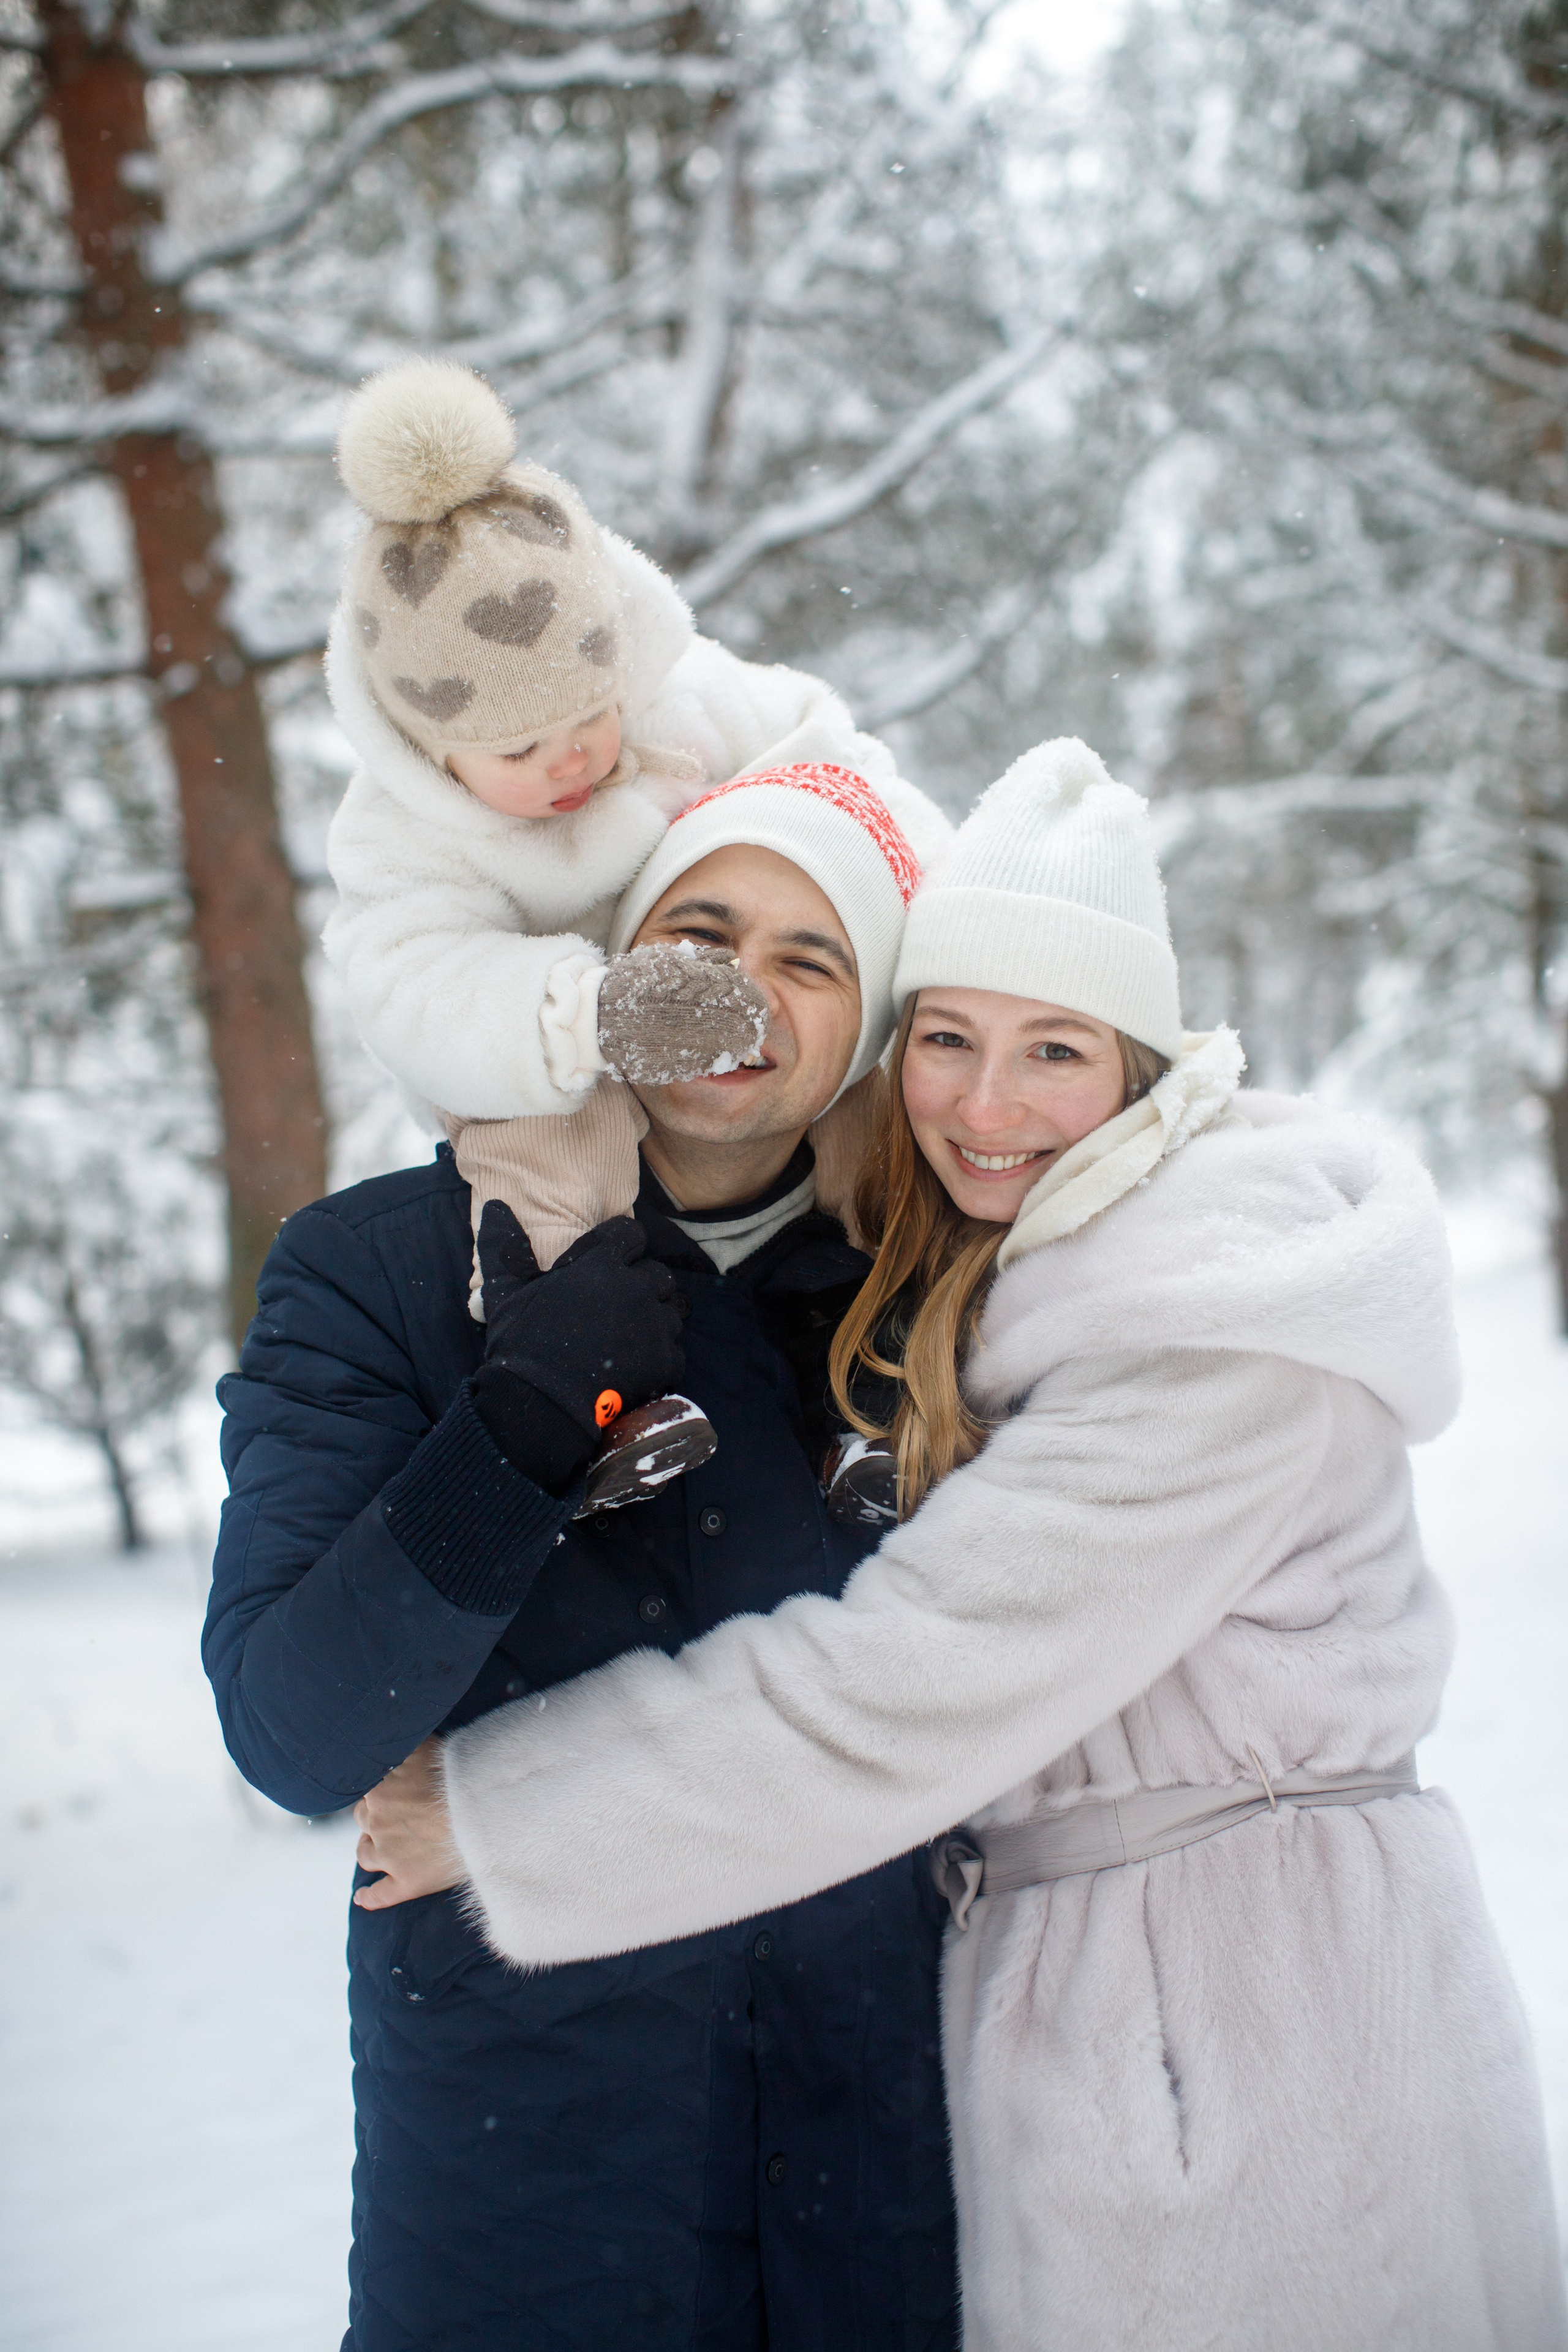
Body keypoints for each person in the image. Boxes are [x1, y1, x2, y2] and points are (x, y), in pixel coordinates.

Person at [364, 739, 1567, 2352]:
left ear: (1143, 1066)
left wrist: (506, 1816)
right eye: (945, 1039)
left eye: (1054, 1051)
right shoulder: (1046, 1270)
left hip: (1258, 2022)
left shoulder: (1220, 1343)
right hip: (1130, 2003)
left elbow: (911, 1681)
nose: (986, 1108)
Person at [203, 766, 959, 2352]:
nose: (740, 984)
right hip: (523, 2195)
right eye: (699, 926)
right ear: (616, 958)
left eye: (812, 958)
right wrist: (524, 1424)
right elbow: (292, 1731)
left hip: (870, 2183)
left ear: (865, 1031)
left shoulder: (923, 1307)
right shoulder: (380, 1274)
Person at [323, 357, 944, 1504]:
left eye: (593, 718)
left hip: (737, 1027)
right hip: (539, 1052)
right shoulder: (407, 842)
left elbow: (832, 749)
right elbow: (410, 984)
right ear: (431, 752)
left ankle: (875, 1391)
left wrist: (884, 867)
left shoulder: (682, 694)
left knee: (868, 1126)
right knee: (548, 1163)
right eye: (520, 752)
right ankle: (599, 1400)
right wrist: (590, 1017)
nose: (574, 761)